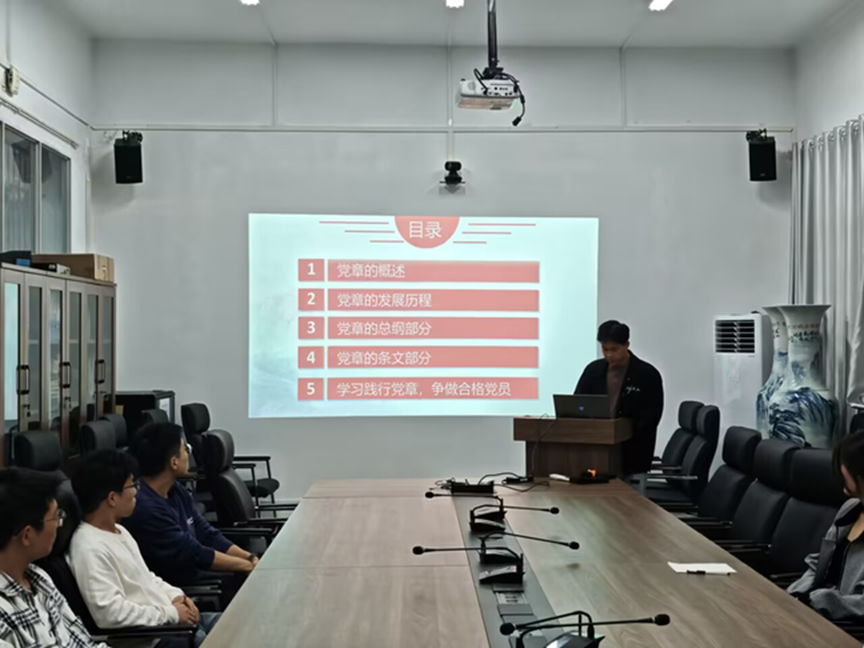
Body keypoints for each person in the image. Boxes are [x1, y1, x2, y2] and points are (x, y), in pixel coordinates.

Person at [68, 450, 220, 647]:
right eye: (132, 485)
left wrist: (177, 596)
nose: (136, 492)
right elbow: (110, 615)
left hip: (172, 623)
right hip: (156, 639)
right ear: (112, 498)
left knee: (239, 622)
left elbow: (147, 578)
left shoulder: (120, 531)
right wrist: (172, 614)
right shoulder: (88, 547)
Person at [122, 422, 257, 592]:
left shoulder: (175, 489)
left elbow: (206, 533)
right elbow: (194, 553)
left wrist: (249, 557)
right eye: (185, 449)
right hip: (180, 588)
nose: (189, 453)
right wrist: (246, 565)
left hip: (197, 572)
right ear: (174, 462)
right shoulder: (146, 508)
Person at [0, 467, 107, 648]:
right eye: (56, 517)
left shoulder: (39, 578)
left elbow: (84, 643)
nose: (59, 524)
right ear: (27, 535)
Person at [788, 433, 864, 621]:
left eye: (845, 465)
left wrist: (818, 601)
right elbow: (819, 563)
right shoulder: (850, 509)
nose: (840, 470)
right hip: (812, 613)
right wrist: (796, 593)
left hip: (844, 627)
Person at [574, 320, 664, 476]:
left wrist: (621, 430)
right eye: (605, 349)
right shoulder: (593, 371)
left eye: (614, 349)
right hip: (594, 446)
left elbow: (651, 417)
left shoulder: (647, 375)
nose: (609, 354)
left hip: (631, 451)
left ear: (626, 345)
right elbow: (577, 404)